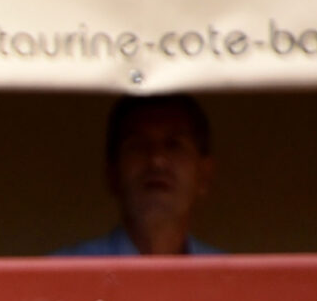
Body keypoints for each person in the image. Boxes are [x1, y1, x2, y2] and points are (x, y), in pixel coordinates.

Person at [56, 94, 220, 257]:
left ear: (204, 173)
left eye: (174, 145)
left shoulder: (227, 272)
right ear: (112, 172)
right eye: (139, 145)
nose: (157, 161)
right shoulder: (63, 270)